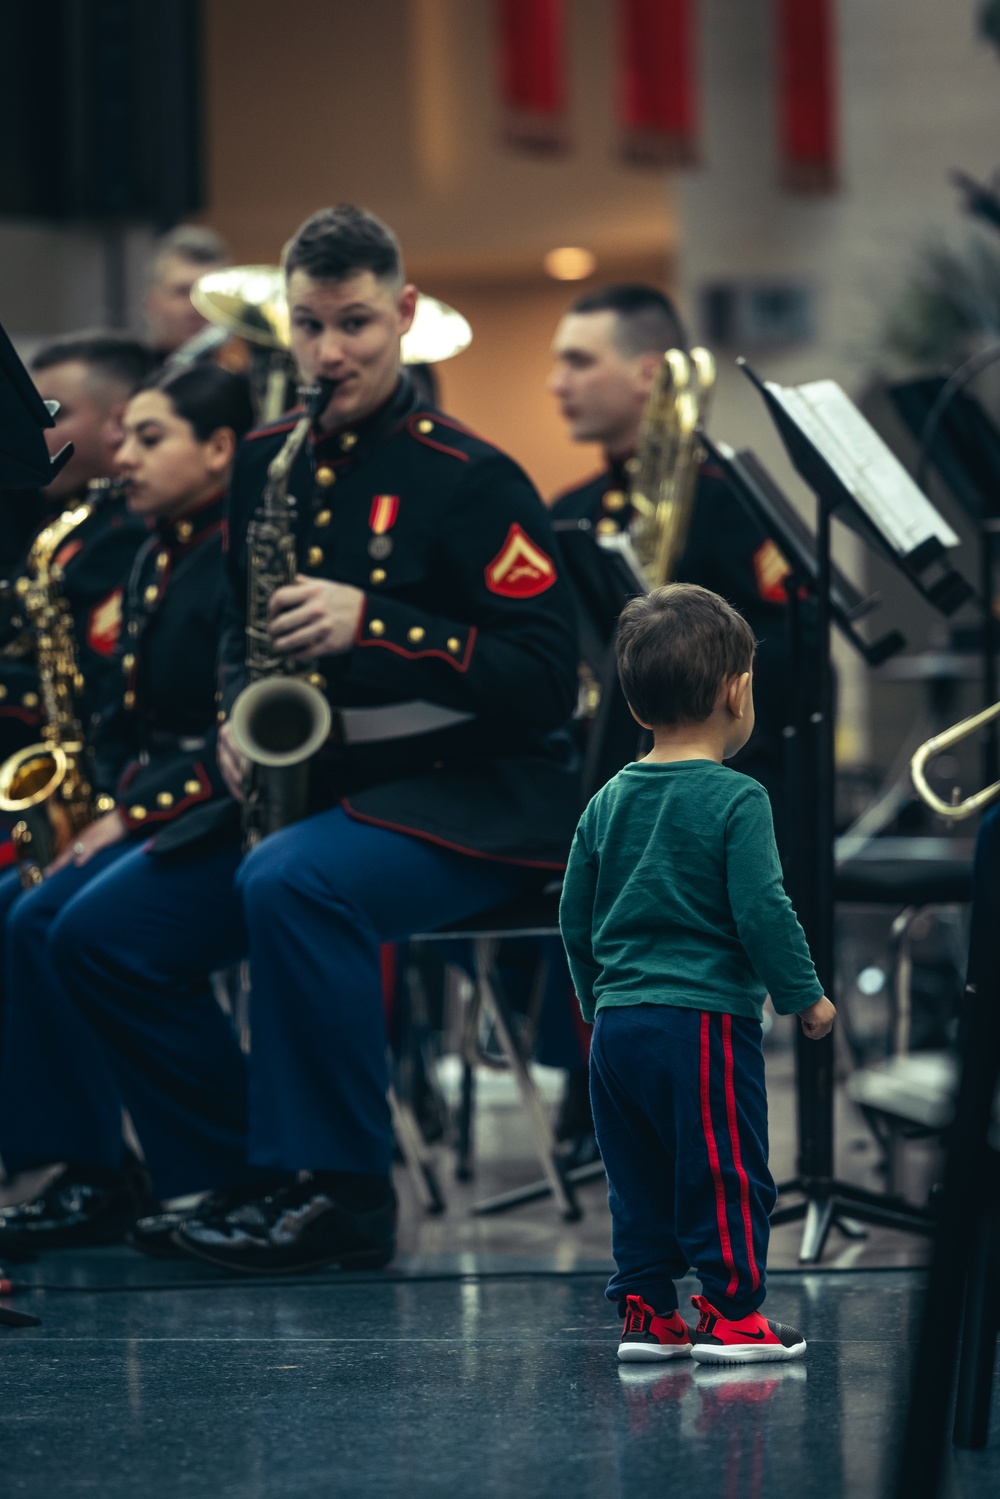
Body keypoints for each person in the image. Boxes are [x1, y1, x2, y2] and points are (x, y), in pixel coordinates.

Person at [0, 205, 580, 1270]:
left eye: (355, 322)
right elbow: (236, 623)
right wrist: (234, 707)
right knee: (93, 933)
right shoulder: (268, 459)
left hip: (468, 787)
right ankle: (236, 1176)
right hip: (318, 782)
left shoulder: (471, 475)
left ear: (402, 313)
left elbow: (547, 682)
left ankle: (344, 1193)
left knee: (291, 881)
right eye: (309, 326)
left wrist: (380, 622)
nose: (330, 352)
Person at [0, 364, 254, 1244]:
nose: (125, 455)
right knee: (23, 908)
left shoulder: (237, 552)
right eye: (129, 436)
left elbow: (231, 733)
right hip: (160, 803)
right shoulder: (158, 550)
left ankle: (216, 1165)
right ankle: (83, 1163)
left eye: (152, 438)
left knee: (76, 927)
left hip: (233, 811)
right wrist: (105, 797)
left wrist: (131, 812)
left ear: (220, 449)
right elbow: (124, 717)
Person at [559, 583, 835, 1365]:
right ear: (736, 691)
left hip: (615, 1027)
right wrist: (803, 994)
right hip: (701, 1019)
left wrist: (596, 1002)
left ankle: (648, 1313)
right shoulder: (738, 797)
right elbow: (764, 910)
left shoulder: (607, 800)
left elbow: (574, 916)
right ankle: (733, 1314)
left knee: (636, 1173)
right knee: (725, 1168)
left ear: (638, 706)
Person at [548, 283, 792, 810]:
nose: (556, 383)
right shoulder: (569, 510)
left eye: (579, 362)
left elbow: (782, 656)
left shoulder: (726, 501)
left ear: (649, 374)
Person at [0, 333, 155, 779]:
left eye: (53, 412)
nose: (29, 429)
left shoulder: (129, 534)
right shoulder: (66, 517)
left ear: (120, 421)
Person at [143, 225, 231, 361]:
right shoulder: (128, 379)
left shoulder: (245, 380)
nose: (195, 308)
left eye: (208, 295)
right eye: (182, 292)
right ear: (152, 302)